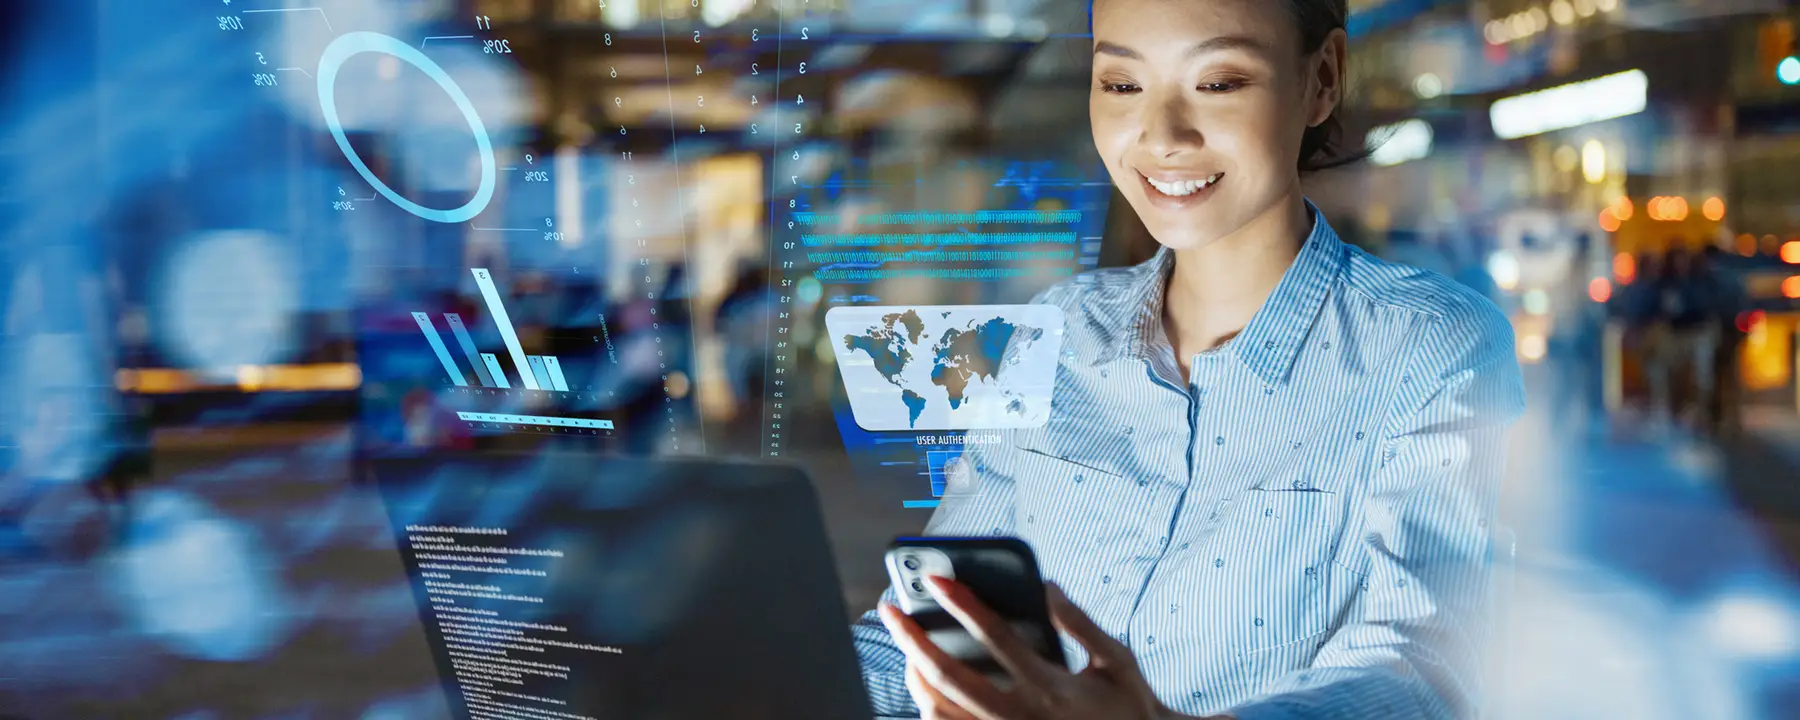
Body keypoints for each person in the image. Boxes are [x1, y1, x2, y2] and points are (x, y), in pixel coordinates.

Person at [849, 1, 1528, 718]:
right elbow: (929, 633)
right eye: (1121, 85)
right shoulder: (1062, 329)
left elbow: (1420, 672)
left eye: (1219, 83)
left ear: (1322, 79)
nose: (1162, 136)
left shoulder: (1429, 344)